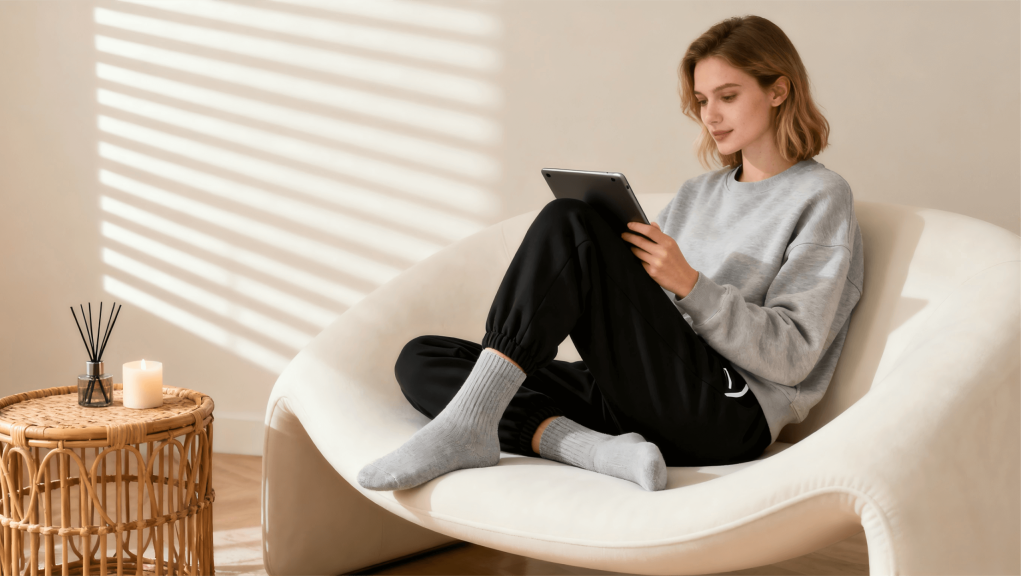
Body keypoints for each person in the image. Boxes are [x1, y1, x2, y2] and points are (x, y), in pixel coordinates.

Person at [358, 15, 863, 493]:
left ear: (778, 90)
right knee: (423, 358)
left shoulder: (821, 196)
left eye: (728, 96)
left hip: (728, 411)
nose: (710, 115)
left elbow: (793, 356)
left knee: (570, 221)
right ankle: (594, 449)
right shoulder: (699, 192)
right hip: (639, 394)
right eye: (702, 100)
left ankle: (471, 428)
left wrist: (690, 285)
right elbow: (648, 316)